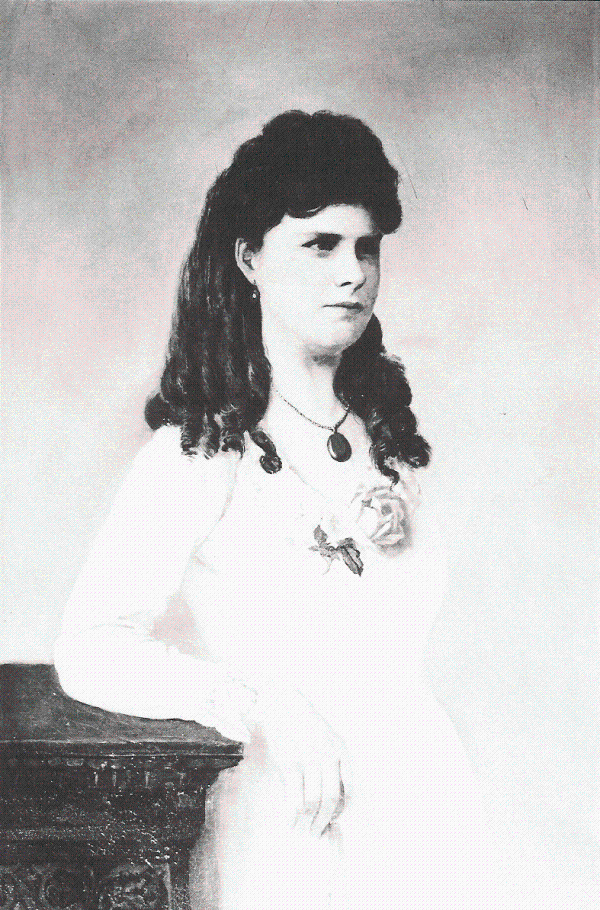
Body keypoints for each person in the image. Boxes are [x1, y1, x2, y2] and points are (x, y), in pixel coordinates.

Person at [55, 110, 507, 909]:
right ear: (249, 259)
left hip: (424, 812)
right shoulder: (201, 450)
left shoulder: (390, 440)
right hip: (292, 823)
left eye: (367, 248)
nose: (353, 274)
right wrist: (265, 708)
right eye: (320, 246)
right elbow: (90, 647)